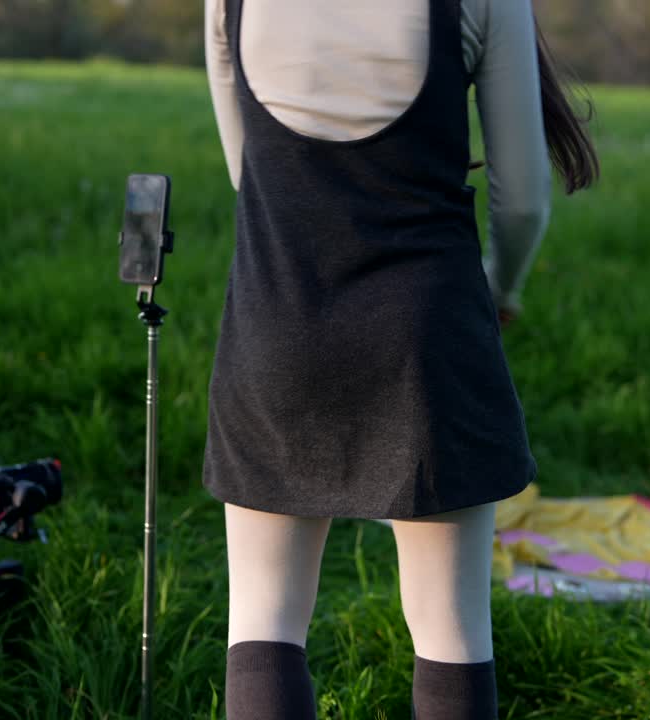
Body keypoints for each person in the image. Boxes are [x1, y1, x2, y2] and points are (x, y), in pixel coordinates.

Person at [203, 0, 596, 716]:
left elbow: (246, 172)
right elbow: (524, 203)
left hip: (278, 325)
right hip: (428, 336)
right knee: (451, 628)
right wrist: (499, 291)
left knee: (263, 620)